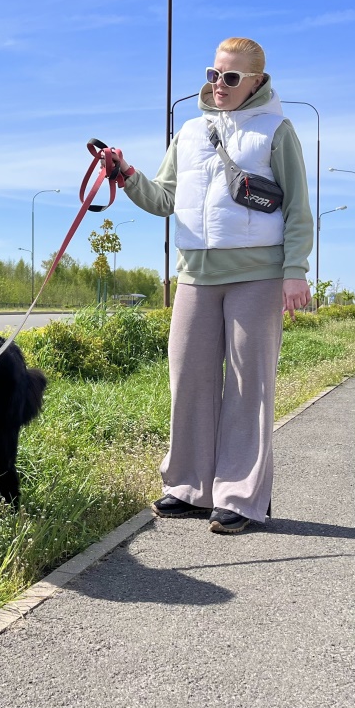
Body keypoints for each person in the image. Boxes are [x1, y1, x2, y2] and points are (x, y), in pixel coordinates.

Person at [109, 37, 313, 534]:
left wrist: (295, 271)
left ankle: (240, 498)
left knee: (249, 386)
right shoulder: (191, 132)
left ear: (257, 81)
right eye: (213, 74)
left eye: (231, 77)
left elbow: (298, 209)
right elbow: (164, 199)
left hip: (258, 275)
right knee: (189, 380)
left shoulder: (277, 130)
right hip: (195, 275)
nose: (217, 85)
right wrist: (127, 174)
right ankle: (188, 488)